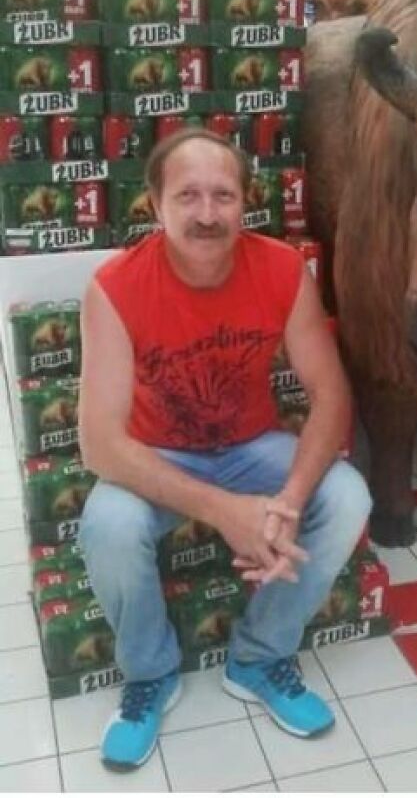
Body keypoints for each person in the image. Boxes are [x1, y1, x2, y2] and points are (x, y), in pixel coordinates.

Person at [78, 128, 372, 771]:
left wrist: (289, 500)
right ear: (154, 204)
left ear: (245, 203)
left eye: (223, 195)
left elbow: (330, 394)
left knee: (348, 497)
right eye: (187, 196)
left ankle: (260, 657)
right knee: (107, 524)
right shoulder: (114, 288)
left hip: (251, 445)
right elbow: (99, 444)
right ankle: (151, 674)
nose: (207, 214)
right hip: (158, 454)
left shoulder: (282, 269)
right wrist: (225, 511)